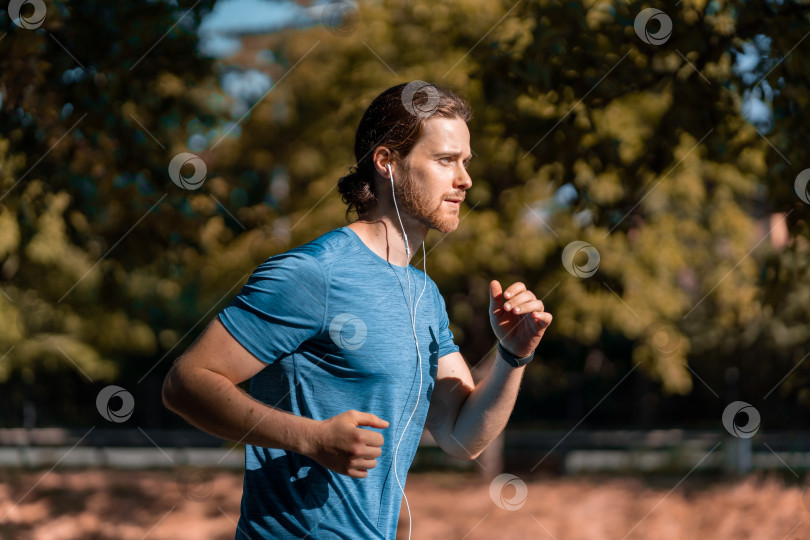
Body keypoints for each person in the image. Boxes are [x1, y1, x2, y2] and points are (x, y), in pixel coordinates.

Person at [161, 81, 553, 539]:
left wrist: (513, 356)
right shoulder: (314, 273)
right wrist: (311, 439)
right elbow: (185, 382)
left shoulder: (424, 295)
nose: (464, 179)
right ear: (387, 162)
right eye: (446, 161)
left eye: (465, 163)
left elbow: (462, 435)